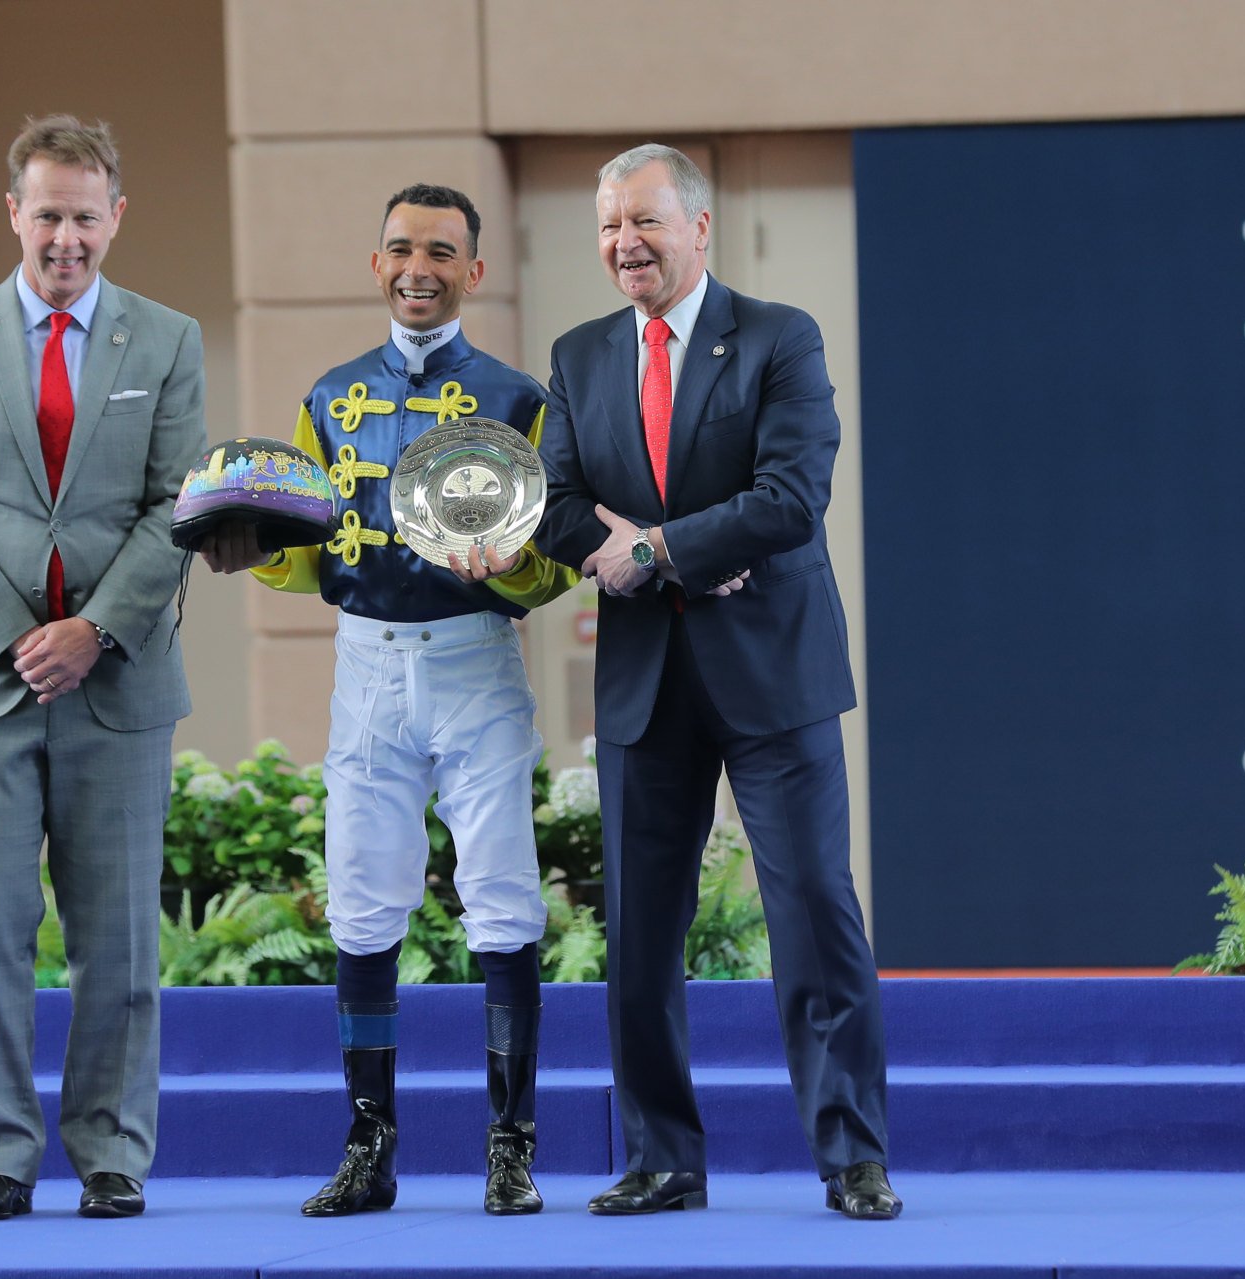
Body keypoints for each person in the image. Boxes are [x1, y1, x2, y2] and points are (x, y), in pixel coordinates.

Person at [533, 144, 902, 1220]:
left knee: (813, 911)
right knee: (641, 930)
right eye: (607, 226)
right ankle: (661, 1158)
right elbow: (555, 508)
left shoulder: (780, 337)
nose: (623, 244)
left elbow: (791, 495)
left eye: (644, 222)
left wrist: (654, 548)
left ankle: (851, 1157)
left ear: (700, 227)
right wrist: (665, 547)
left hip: (771, 670)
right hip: (644, 681)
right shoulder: (580, 352)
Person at [199, 183, 578, 1216]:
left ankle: (511, 1146)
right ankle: (369, 1148)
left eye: (443, 251)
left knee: (501, 894)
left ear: (474, 270)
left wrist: (500, 567)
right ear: (376, 264)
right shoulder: (326, 399)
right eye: (402, 248)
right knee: (364, 905)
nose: (420, 267)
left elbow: (552, 569)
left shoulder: (517, 400)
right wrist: (248, 549)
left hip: (473, 662)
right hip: (363, 664)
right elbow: (306, 548)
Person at [0, 115, 204, 1222]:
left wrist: (93, 632)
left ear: (115, 217)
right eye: (46, 215)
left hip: (116, 682)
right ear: (12, 215)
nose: (64, 238)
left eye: (85, 216)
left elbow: (182, 504)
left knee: (116, 934)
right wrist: (15, 636)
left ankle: (112, 1151)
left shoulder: (167, 340)